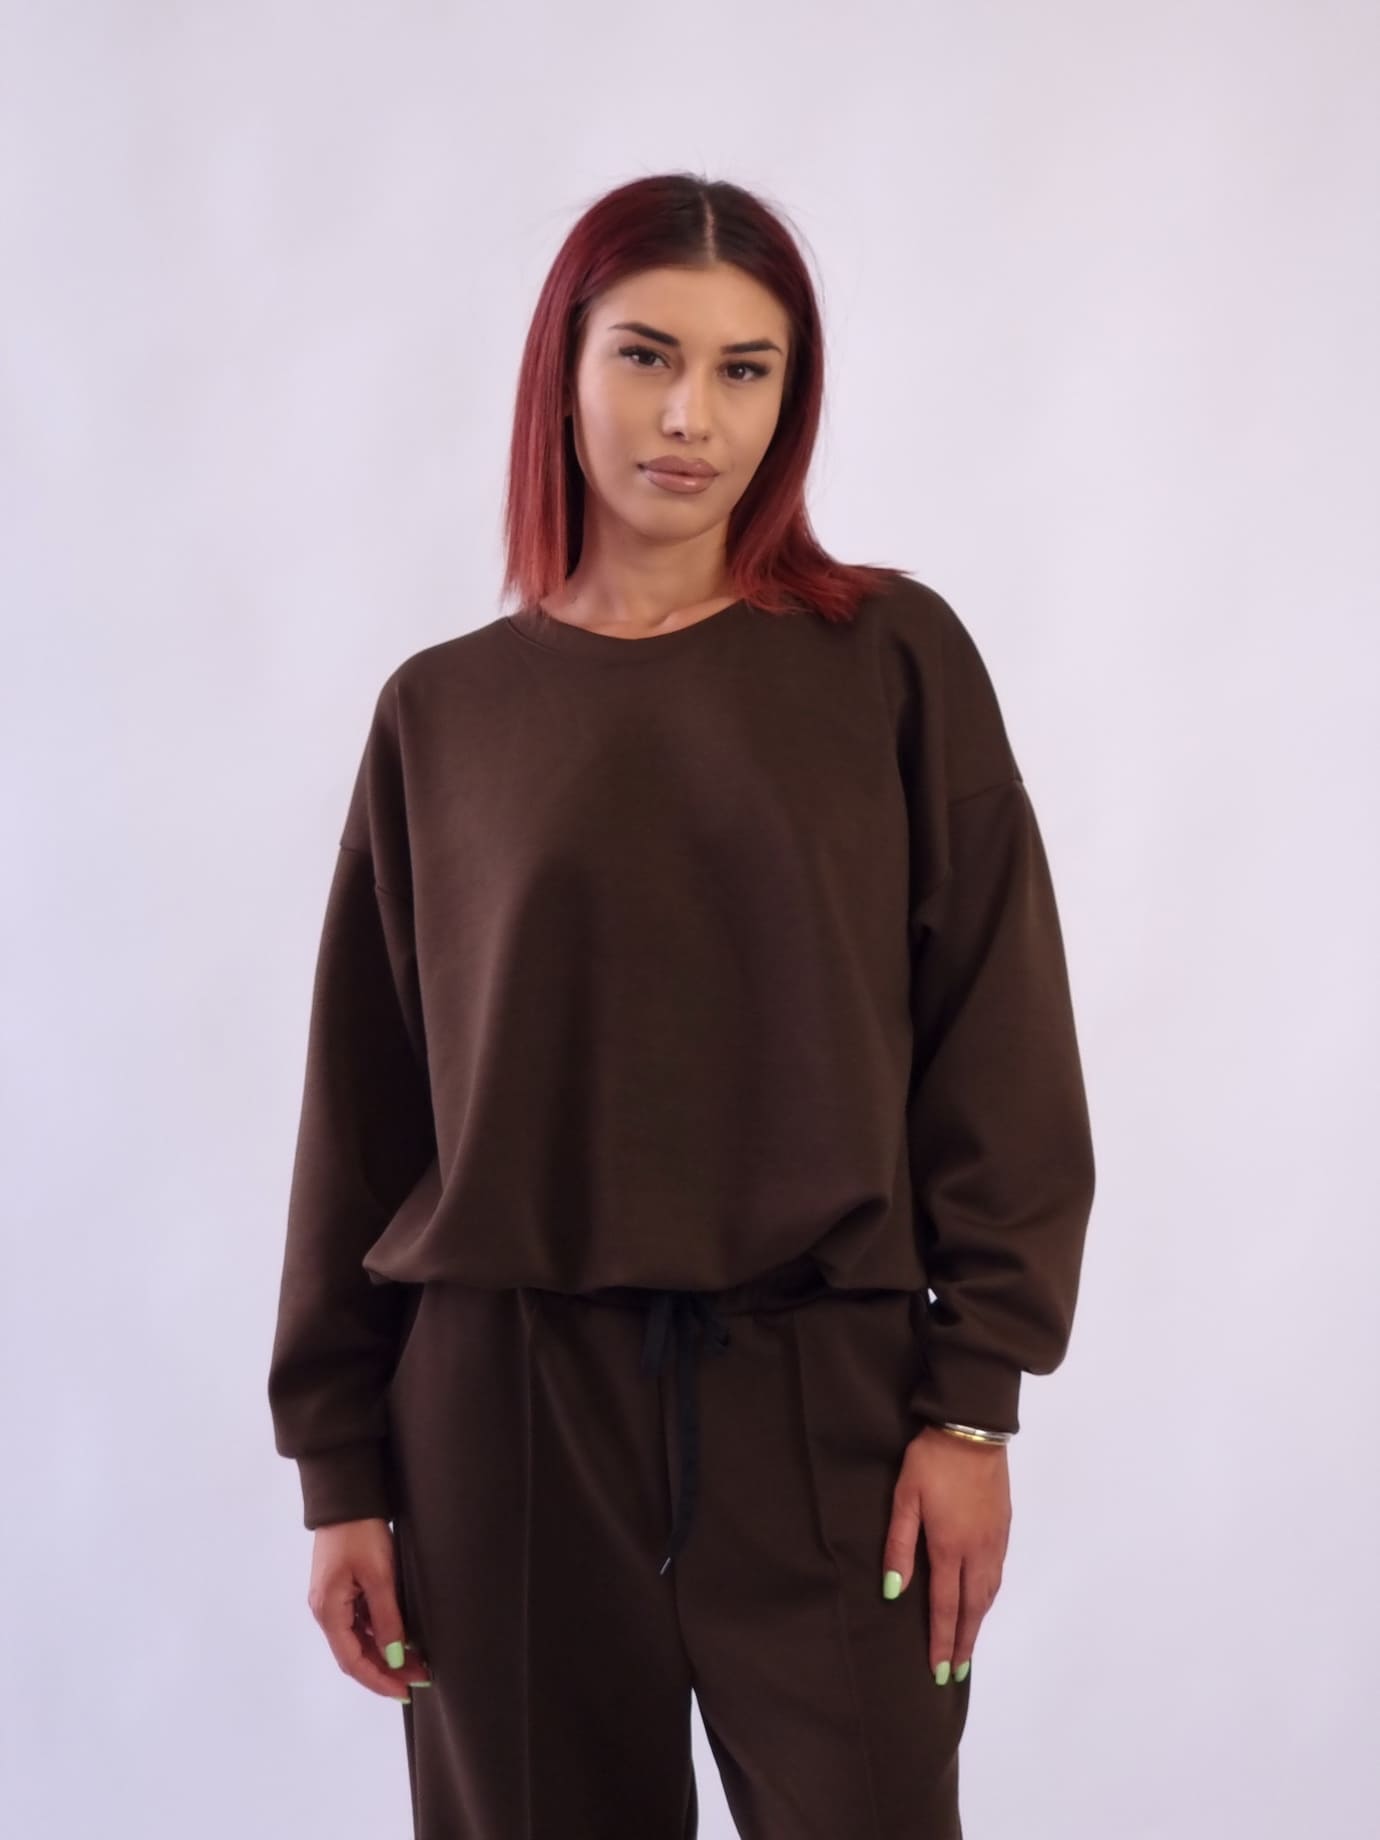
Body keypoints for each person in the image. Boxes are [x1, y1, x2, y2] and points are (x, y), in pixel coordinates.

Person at [267, 171, 1096, 1839]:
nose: (689, 417)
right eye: (647, 356)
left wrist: (973, 1398)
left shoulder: (890, 661)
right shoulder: (444, 713)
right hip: (506, 1413)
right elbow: (366, 1111)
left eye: (745, 369)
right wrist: (341, 1470)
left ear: (793, 397)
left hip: (827, 1400)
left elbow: (998, 1033)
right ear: (562, 369)